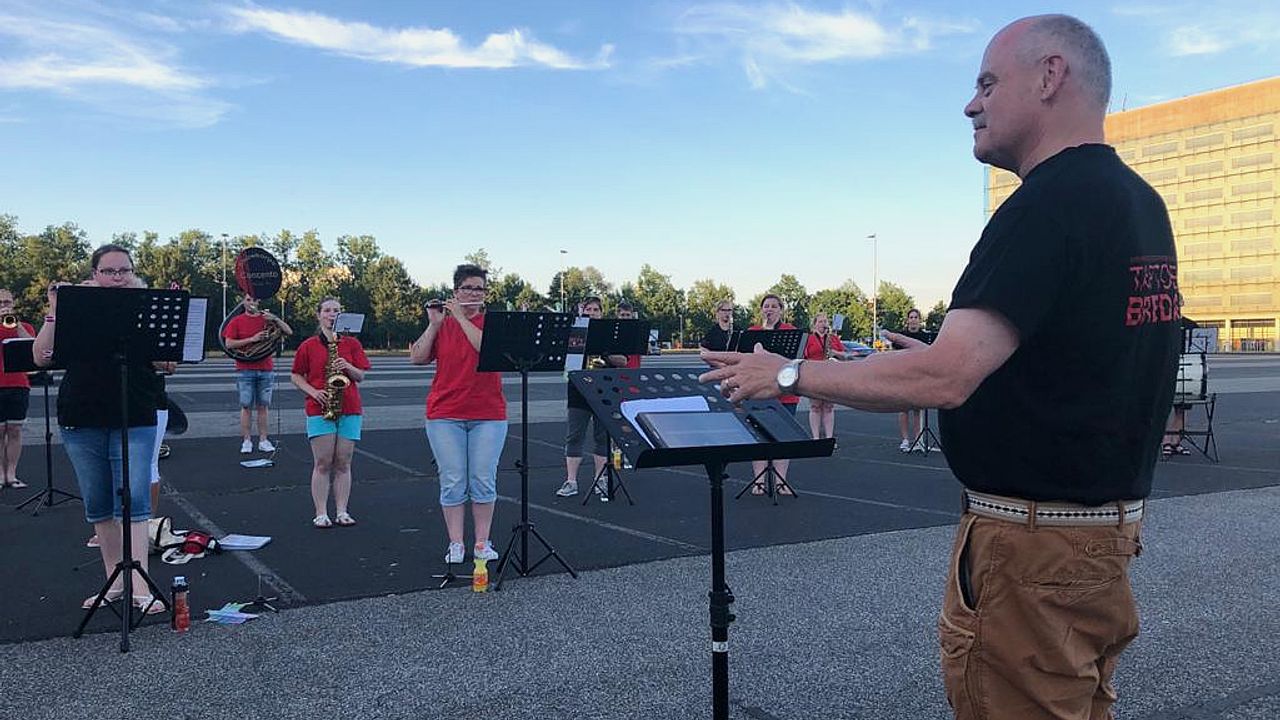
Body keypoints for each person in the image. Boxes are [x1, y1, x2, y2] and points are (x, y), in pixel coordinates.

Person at [702, 15, 1181, 719]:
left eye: (987, 83)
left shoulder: (1044, 205)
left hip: (1031, 551)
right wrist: (941, 364)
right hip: (1104, 541)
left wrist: (783, 375)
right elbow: (1074, 364)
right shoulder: (1140, 204)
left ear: (1049, 77)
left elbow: (945, 379)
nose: (971, 104)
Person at [33, 244, 167, 614]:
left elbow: (166, 360)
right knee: (98, 503)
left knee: (136, 500)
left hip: (134, 411)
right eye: (109, 271)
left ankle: (141, 586)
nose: (117, 277)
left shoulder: (147, 308)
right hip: (82, 414)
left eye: (123, 270)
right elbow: (39, 357)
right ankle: (115, 582)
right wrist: (55, 312)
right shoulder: (76, 308)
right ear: (94, 274)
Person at [410, 264, 506, 563]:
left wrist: (462, 318)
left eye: (479, 289)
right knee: (452, 479)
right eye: (468, 288)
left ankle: (481, 542)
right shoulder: (444, 324)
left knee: (482, 478)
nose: (473, 294)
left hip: (488, 413)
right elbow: (417, 357)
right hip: (445, 413)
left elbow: (485, 348)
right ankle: (455, 543)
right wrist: (435, 324)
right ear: (456, 291)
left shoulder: (491, 324)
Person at [290, 298, 371, 528]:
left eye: (336, 310)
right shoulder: (308, 345)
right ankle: (321, 512)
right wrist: (313, 392)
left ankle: (342, 511)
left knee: (344, 462)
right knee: (323, 462)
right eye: (327, 310)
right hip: (320, 406)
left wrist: (347, 366)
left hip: (350, 407)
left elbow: (361, 376)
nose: (332, 314)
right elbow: (295, 375)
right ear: (319, 315)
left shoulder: (352, 344)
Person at [556, 296, 627, 497]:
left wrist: (604, 352)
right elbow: (566, 359)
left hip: (604, 390)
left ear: (602, 312)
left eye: (596, 309)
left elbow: (623, 361)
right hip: (578, 389)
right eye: (589, 309)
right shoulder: (575, 333)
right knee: (574, 436)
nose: (593, 312)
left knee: (602, 437)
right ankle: (571, 481)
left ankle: (600, 479)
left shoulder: (612, 334)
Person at [222, 295, 293, 454]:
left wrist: (274, 318)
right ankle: (246, 441)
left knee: (263, 406)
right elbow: (229, 343)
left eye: (254, 300)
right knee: (246, 406)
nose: (251, 303)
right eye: (248, 300)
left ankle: (263, 440)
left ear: (258, 302)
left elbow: (288, 331)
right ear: (243, 302)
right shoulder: (237, 321)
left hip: (266, 367)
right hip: (244, 368)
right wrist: (252, 339)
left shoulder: (267, 319)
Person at [747, 294, 799, 495]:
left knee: (783, 438)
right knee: (759, 436)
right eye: (766, 306)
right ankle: (758, 481)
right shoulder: (752, 333)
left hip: (784, 393)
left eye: (774, 306)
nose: (769, 309)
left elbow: (795, 359)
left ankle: (781, 481)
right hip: (759, 392)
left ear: (781, 310)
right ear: (761, 310)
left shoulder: (790, 332)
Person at [0, 288, 35, 489]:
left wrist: (16, 323)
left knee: (14, 430)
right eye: (1, 303)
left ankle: (11, 473)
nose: (4, 306)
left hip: (18, 384)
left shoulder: (25, 326)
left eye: (7, 302)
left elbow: (32, 348)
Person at [804, 312, 851, 444]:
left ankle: (829, 438)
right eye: (820, 322)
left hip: (830, 375)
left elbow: (844, 355)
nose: (824, 324)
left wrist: (834, 353)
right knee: (815, 406)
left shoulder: (833, 339)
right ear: (814, 325)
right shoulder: (809, 339)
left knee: (829, 406)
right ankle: (815, 438)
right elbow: (804, 356)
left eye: (825, 321)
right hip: (814, 374)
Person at [896, 308, 934, 452]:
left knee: (918, 409)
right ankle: (905, 439)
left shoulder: (925, 337)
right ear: (907, 320)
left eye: (915, 317)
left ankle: (919, 439)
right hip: (903, 375)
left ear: (919, 319)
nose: (913, 320)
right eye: (910, 317)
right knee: (904, 408)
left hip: (919, 375)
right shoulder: (901, 336)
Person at [1162, 315, 1199, 457]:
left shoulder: (1191, 324)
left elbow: (1198, 350)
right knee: (1164, 409)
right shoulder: (1164, 324)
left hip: (1186, 368)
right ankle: (1165, 441)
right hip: (1165, 368)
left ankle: (1175, 442)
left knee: (1181, 410)